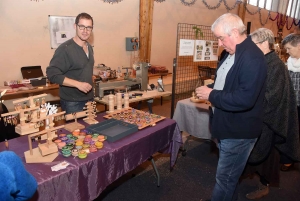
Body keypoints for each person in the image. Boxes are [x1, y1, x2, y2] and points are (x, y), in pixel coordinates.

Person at [195, 13, 267, 201]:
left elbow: (245, 99)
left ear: (234, 32)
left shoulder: (252, 57)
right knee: (229, 179)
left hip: (239, 132)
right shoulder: (231, 52)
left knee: (224, 180)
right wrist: (209, 89)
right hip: (226, 126)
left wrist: (211, 95)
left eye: (220, 38)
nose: (219, 43)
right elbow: (226, 83)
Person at [243, 28, 300, 199]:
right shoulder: (264, 61)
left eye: (253, 45)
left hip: (270, 121)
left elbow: (272, 98)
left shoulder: (274, 65)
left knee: (268, 157)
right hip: (262, 118)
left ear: (263, 44)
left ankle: (264, 185)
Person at [46, 13, 95, 114]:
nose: (85, 31)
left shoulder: (89, 47)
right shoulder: (65, 49)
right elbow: (52, 74)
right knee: (75, 130)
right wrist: (78, 84)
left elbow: (83, 66)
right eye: (82, 27)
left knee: (91, 129)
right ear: (75, 26)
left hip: (89, 99)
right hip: (72, 102)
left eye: (89, 28)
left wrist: (99, 72)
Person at [281, 33, 300, 171]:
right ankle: (289, 159)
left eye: (289, 48)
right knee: (291, 132)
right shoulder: (290, 62)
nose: (287, 52)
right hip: (292, 103)